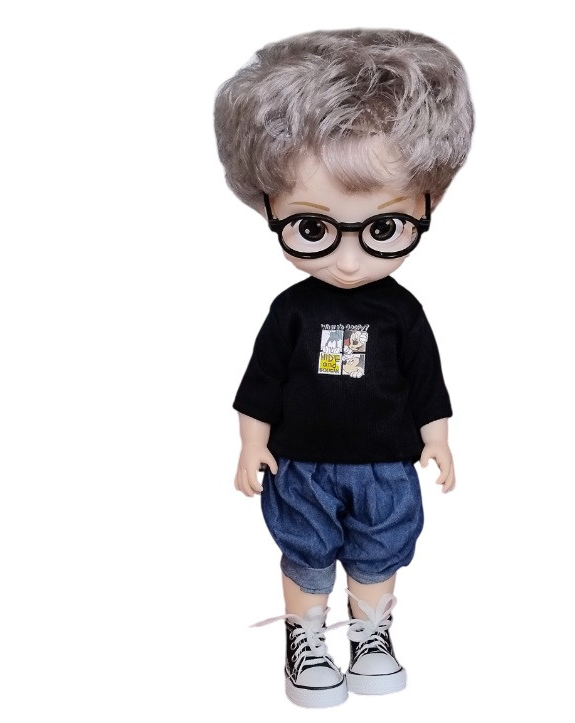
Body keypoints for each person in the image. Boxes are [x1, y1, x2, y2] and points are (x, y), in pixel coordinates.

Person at [214, 28, 473, 708]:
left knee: (379, 551)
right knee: (304, 551)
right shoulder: (291, 311)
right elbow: (262, 382)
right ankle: (304, 641)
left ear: (427, 205)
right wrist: (250, 444)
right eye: (313, 229)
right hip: (300, 463)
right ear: (269, 207)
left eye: (383, 229)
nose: (350, 261)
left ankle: (371, 636)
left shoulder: (403, 313)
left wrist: (438, 438)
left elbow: (426, 382)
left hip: (385, 465)